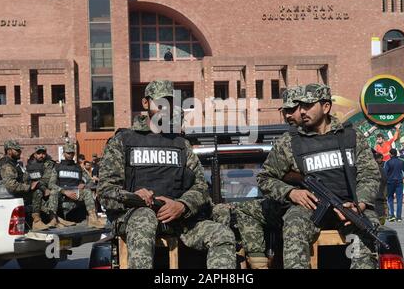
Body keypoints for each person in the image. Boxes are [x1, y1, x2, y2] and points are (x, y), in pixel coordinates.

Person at [97, 80, 236, 269]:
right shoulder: (122, 141)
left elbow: (201, 188)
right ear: (146, 103)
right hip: (134, 218)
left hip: (177, 221)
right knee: (144, 217)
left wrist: (182, 205)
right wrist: (133, 197)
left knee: (223, 235)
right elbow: (105, 191)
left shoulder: (181, 144)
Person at [258, 83, 381, 269]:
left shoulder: (351, 136)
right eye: (301, 106)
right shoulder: (289, 142)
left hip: (348, 207)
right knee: (293, 223)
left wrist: (360, 203)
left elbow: (370, 174)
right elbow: (265, 178)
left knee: (367, 227)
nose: (302, 111)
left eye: (308, 106)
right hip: (311, 209)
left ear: (326, 107)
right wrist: (290, 193)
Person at [218, 86, 305, 269]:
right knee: (246, 208)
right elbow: (265, 178)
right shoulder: (285, 143)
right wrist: (290, 191)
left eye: (292, 110)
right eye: (285, 111)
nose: (288, 115)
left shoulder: (333, 138)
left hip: (322, 208)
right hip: (289, 207)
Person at [47, 143, 104, 228]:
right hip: (62, 194)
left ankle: (93, 219)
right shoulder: (57, 167)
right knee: (53, 192)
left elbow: (90, 182)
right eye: (68, 153)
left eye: (72, 153)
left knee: (87, 192)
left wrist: (83, 184)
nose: (70, 155)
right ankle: (53, 220)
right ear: (64, 153)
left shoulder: (78, 168)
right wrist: (64, 191)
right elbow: (51, 184)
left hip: (76, 194)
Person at [0, 140, 48, 230]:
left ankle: (54, 218)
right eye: (16, 150)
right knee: (37, 192)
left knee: (44, 192)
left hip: (21, 193)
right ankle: (37, 221)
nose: (19, 152)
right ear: (9, 151)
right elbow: (11, 186)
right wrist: (29, 187)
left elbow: (23, 178)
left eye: (20, 150)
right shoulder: (7, 165)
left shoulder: (15, 163)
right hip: (14, 196)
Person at [384, 148, 404, 222]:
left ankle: (392, 215)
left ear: (391, 154)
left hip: (390, 182)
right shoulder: (401, 162)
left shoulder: (388, 162)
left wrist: (384, 183)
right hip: (399, 182)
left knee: (390, 198)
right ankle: (398, 217)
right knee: (399, 199)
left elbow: (385, 173)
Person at [373, 152, 388, 225]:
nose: (381, 160)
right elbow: (385, 179)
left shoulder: (380, 167)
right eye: (380, 158)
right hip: (378, 195)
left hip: (377, 195)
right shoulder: (380, 169)